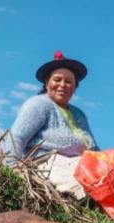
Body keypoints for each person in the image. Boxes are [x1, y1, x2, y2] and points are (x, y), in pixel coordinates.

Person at [9, 50, 98, 199]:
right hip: (49, 163)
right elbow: (16, 137)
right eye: (57, 80)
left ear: (75, 86)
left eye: (69, 81)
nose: (62, 85)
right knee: (85, 188)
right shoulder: (39, 105)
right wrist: (12, 169)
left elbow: (93, 148)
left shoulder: (79, 114)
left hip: (82, 164)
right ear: (47, 83)